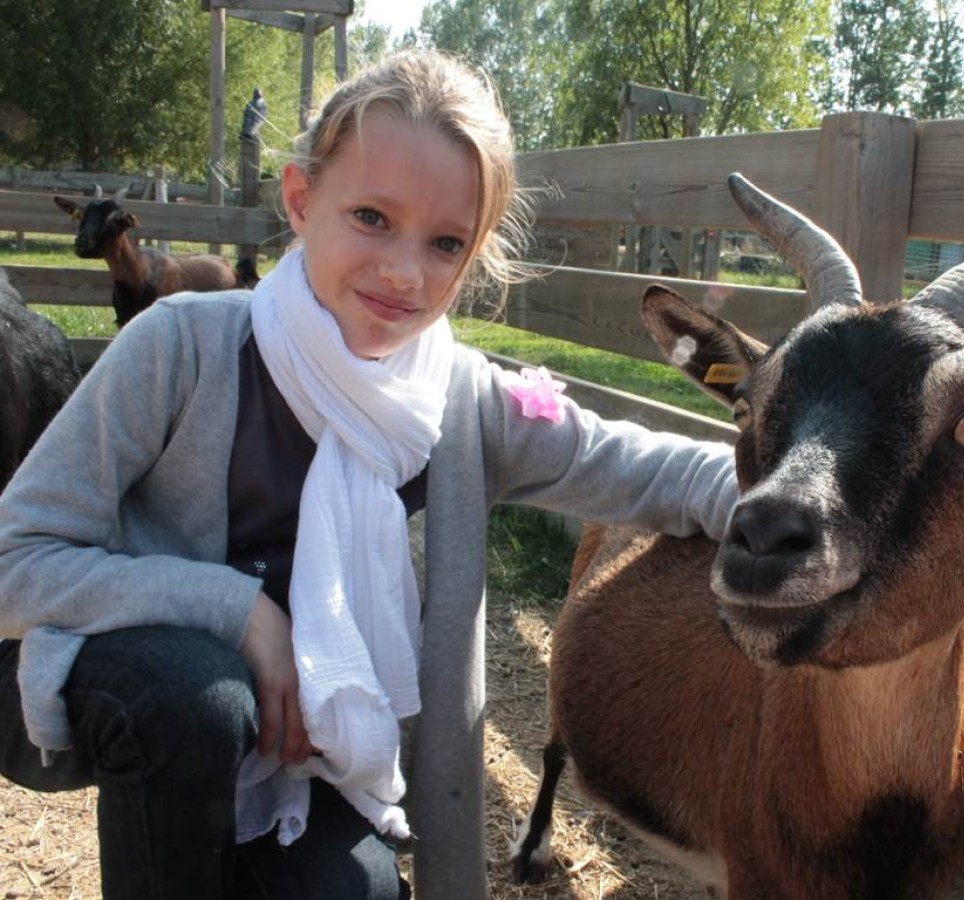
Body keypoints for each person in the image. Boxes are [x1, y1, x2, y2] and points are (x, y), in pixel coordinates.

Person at [0, 49, 737, 899]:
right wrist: (242, 616)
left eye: (445, 242)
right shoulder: (182, 346)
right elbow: (19, 559)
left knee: (361, 892)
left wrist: (783, 491)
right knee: (195, 699)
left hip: (306, 755)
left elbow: (634, 463)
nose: (403, 272)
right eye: (371, 218)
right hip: (133, 695)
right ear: (300, 200)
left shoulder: (461, 404)